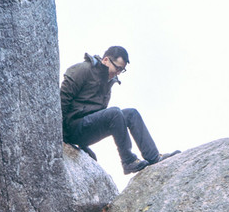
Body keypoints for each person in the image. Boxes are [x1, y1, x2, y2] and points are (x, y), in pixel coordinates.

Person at [60, 46, 176, 175]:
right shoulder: (83, 69)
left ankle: (154, 157)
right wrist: (62, 136)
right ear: (105, 60)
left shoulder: (108, 81)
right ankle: (128, 161)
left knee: (131, 114)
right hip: (71, 128)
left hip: (85, 129)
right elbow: (62, 100)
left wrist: (83, 146)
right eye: (118, 68)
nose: (118, 73)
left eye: (122, 70)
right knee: (114, 113)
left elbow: (95, 115)